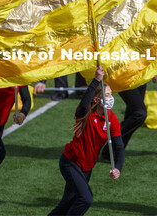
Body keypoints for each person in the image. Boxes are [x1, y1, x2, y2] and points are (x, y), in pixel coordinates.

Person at [49, 66, 124, 215]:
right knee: (86, 199)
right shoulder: (86, 114)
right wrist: (96, 81)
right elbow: (84, 103)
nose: (110, 98)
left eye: (110, 95)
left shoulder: (112, 118)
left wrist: (118, 167)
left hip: (87, 168)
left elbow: (119, 146)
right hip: (71, 163)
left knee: (66, 203)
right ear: (97, 99)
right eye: (106, 95)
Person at [101, 75, 157, 160]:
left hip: (141, 73)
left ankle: (114, 151)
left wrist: (154, 71)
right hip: (124, 73)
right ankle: (112, 148)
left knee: (132, 113)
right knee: (139, 114)